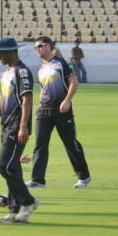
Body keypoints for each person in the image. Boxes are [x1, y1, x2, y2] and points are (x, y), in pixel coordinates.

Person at [0, 37, 39, 223]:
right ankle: (15, 210)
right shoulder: (5, 74)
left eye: (1, 54)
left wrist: (23, 126)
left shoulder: (21, 72)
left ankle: (28, 201)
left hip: (17, 126)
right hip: (6, 125)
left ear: (12, 52)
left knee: (5, 165)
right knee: (11, 167)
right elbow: (1, 101)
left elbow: (27, 99)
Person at [27, 36, 92, 189]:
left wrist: (67, 100)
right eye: (35, 47)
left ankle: (84, 176)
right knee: (40, 144)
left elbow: (74, 82)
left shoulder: (61, 63)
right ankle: (38, 179)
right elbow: (43, 88)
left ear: (49, 46)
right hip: (44, 110)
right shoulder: (41, 68)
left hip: (62, 110)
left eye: (40, 46)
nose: (37, 49)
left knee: (70, 143)